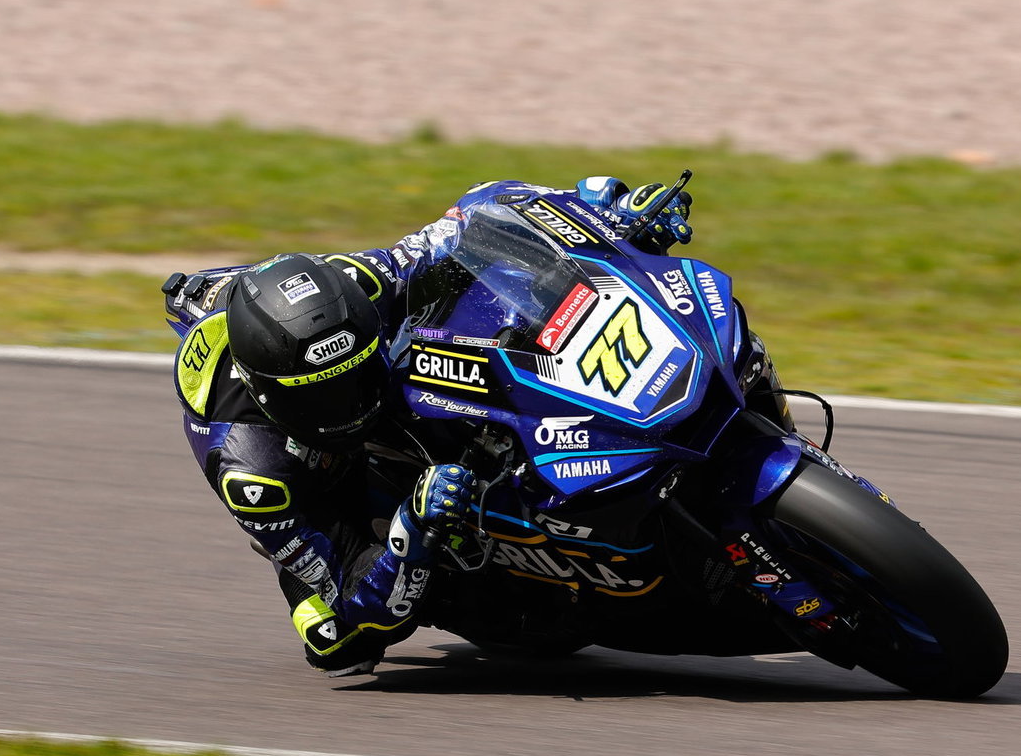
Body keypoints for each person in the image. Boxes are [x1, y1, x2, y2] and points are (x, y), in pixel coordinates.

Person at [162, 177, 695, 675]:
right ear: (271, 393)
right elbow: (350, 593)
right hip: (324, 491)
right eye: (325, 396)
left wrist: (605, 216)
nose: (351, 404)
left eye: (355, 377)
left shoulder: (358, 284)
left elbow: (467, 222)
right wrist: (409, 533)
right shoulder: (257, 472)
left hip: (299, 327)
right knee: (339, 640)